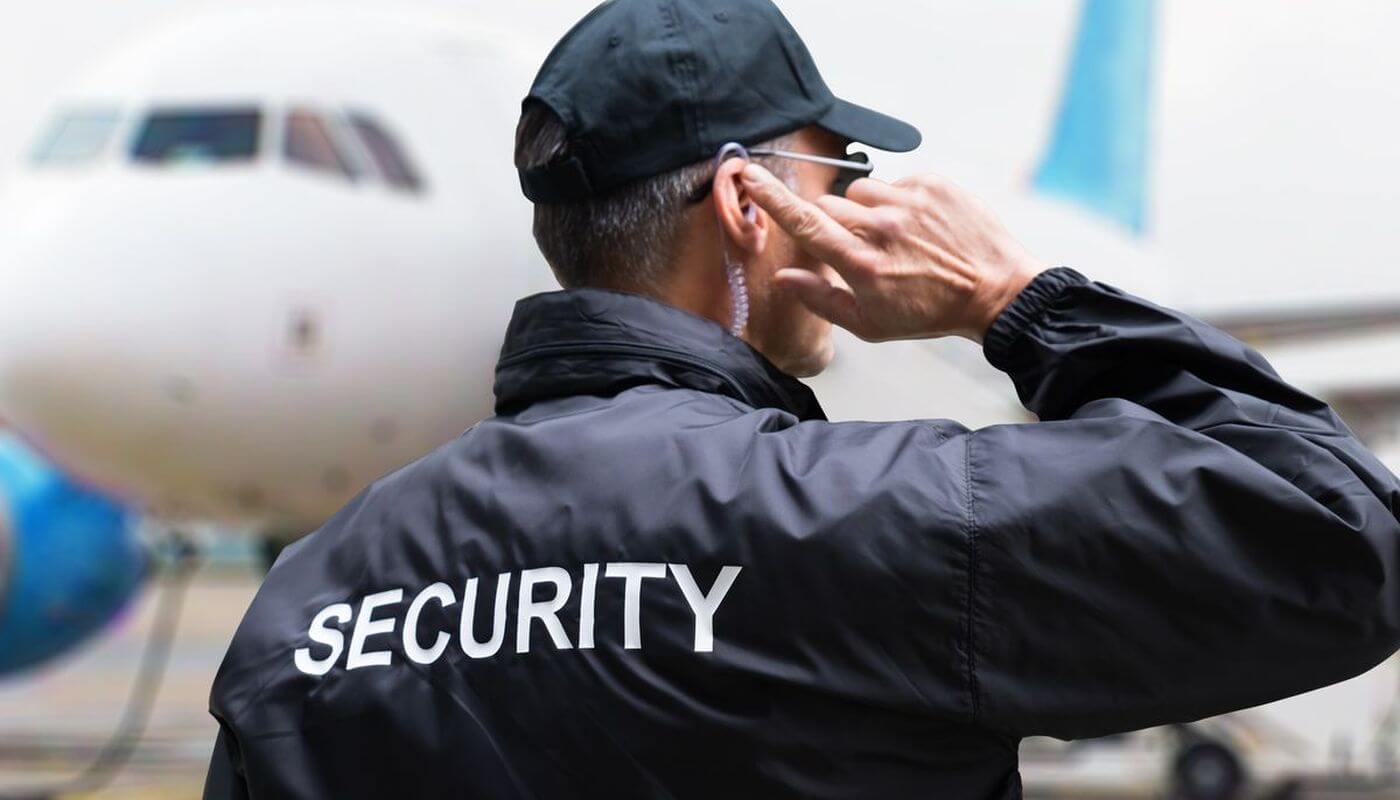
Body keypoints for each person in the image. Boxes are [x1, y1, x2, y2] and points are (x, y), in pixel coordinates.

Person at [203, 0, 1400, 797]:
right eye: (839, 170)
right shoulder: (879, 518)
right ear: (746, 206)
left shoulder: (307, 602)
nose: (855, 200)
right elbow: (1343, 533)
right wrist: (1014, 298)